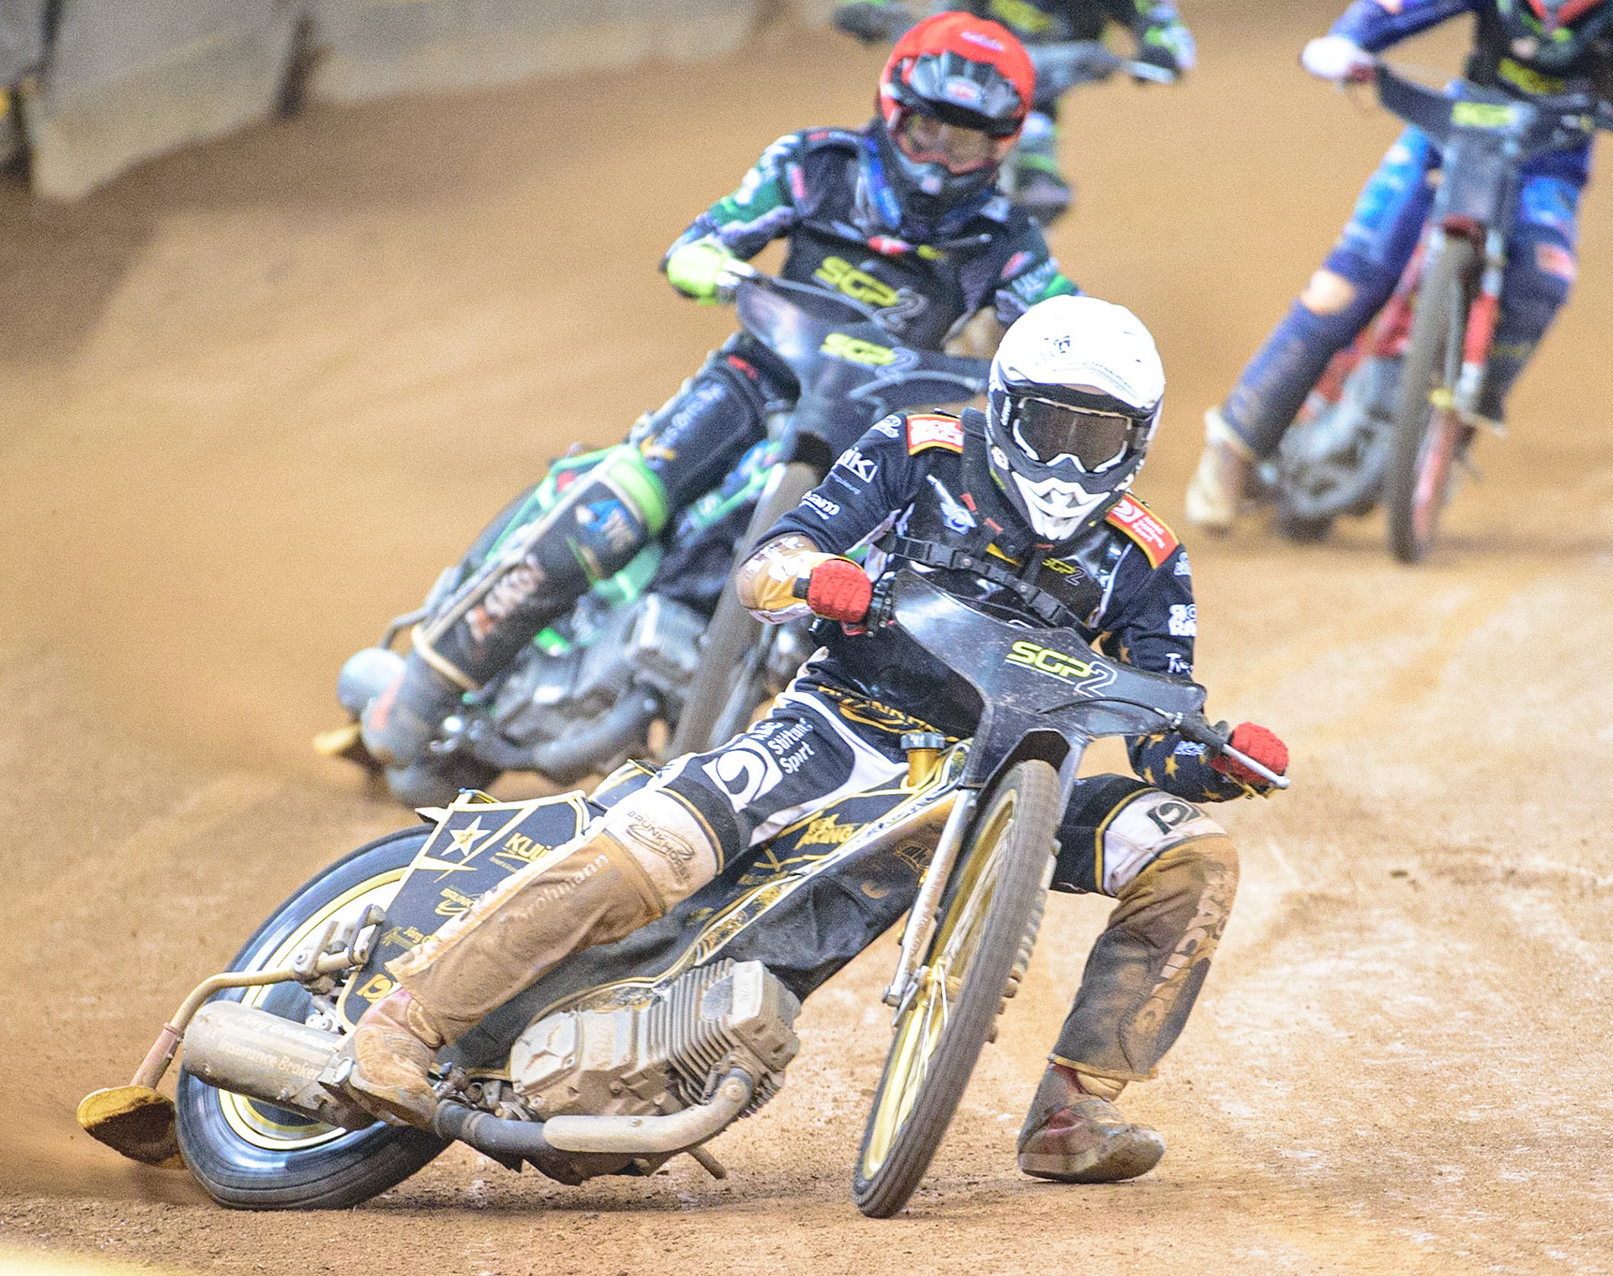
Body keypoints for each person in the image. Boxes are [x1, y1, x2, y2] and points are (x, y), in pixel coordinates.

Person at [338, 295, 1289, 1185]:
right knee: (661, 844)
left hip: (1001, 784)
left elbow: (1160, 727)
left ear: (1139, 441)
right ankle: (404, 1023)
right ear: (1004, 408)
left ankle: (1071, 1113)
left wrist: (1215, 759)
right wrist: (816, 578)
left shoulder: (1148, 557)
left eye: (1100, 439)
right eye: (1052, 428)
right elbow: (770, 562)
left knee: (1191, 852)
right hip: (841, 725)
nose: (1070, 463)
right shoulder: (918, 449)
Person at [359, 12, 1083, 806]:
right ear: (891, 110)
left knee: (886, 599)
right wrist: (714, 265)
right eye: (929, 131)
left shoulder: (1006, 240)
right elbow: (707, 239)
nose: (943, 158)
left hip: (869, 436)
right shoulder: (814, 164)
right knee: (618, 509)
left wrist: (1073, 360)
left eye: (968, 141)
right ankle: (418, 694)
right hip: (755, 379)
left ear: (1006, 144)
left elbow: (1057, 324)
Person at [1185, 0, 1613, 532]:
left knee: (1544, 278)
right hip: (1450, 137)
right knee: (1344, 285)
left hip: (1549, 166)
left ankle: (1459, 422)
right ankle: (1232, 451)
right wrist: (1347, 41)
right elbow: (1394, 8)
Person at [834, 0, 1197, 222]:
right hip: (949, 78)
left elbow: (1163, 23)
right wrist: (873, 8)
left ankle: (1019, 273)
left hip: (1037, 90)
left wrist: (1161, 47)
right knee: (893, 135)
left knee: (1040, 192)